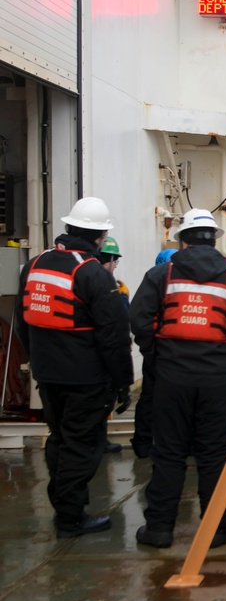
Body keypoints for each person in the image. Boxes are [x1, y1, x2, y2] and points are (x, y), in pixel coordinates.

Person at [129, 207, 226, 549]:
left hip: (171, 378)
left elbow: (139, 320)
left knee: (169, 452)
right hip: (217, 381)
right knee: (213, 453)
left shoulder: (162, 275)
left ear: (184, 240)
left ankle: (160, 528)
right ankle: (217, 528)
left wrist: (158, 356)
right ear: (213, 240)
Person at [14, 196, 133, 537]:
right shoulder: (92, 273)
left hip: (48, 374)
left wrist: (36, 360)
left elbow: (25, 322)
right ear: (99, 237)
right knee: (83, 445)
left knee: (60, 439)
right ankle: (70, 518)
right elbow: (112, 336)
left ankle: (64, 507)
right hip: (86, 379)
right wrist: (123, 382)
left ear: (69, 228)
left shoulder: (35, 265)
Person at [130, 248, 175, 458]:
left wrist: (149, 349)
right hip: (171, 356)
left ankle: (143, 443)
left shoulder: (152, 282)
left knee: (149, 398)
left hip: (156, 353)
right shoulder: (176, 286)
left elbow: (140, 319)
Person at [98, 236, 130, 454]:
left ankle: (99, 440)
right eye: (114, 261)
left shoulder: (114, 288)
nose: (114, 266)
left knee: (103, 401)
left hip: (96, 353)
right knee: (101, 399)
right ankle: (97, 443)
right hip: (103, 354)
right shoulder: (108, 288)